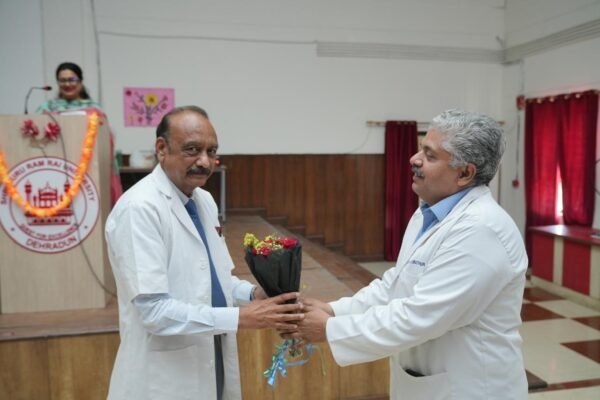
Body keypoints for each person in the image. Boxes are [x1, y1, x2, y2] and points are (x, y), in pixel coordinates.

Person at [289, 109, 528, 400]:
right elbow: (396, 284)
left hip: (471, 388)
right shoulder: (429, 211)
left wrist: (330, 329)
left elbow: (420, 316)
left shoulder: (481, 229)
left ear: (465, 173)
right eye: (420, 149)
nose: (414, 159)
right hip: (429, 382)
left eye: (430, 155)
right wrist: (335, 310)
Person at [105, 105, 303, 400]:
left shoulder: (204, 201)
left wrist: (254, 295)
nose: (204, 161)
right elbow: (154, 311)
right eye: (192, 150)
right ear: (162, 148)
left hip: (212, 359)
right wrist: (240, 317)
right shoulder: (139, 209)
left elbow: (217, 279)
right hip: (162, 379)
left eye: (211, 151)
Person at [36, 61, 123, 206]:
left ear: (80, 81)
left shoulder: (94, 109)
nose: (67, 84)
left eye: (72, 79)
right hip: (56, 166)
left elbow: (106, 140)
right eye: (62, 80)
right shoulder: (47, 109)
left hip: (89, 168)